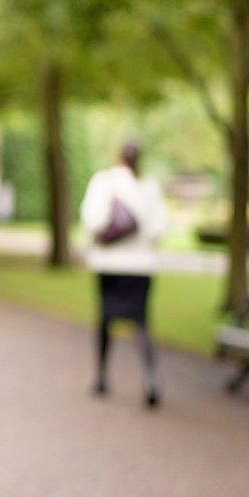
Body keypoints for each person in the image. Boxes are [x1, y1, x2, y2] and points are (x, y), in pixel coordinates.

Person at [79, 140, 168, 408]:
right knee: (140, 322)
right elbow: (158, 229)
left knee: (106, 319)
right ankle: (151, 377)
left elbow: (92, 220)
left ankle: (102, 376)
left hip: (110, 265)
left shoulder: (105, 182)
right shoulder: (149, 187)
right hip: (141, 267)